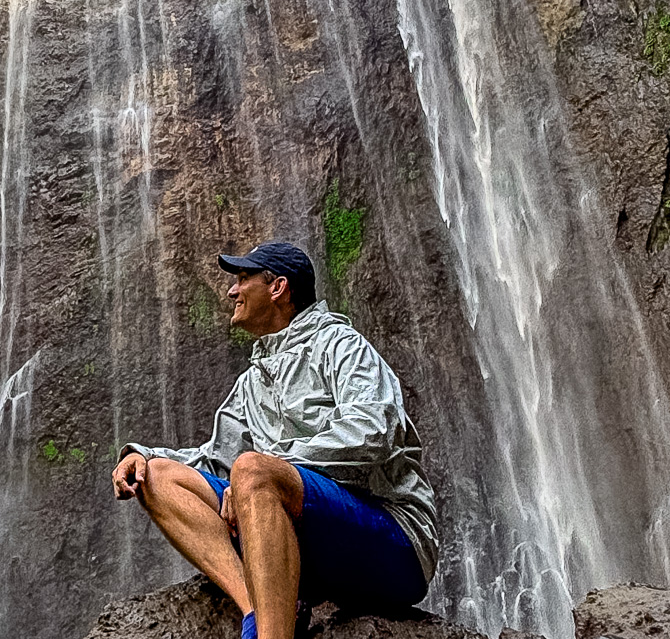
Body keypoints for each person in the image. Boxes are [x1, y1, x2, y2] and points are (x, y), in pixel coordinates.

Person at [112, 241, 438, 639]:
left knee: (252, 469)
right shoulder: (253, 380)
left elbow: (372, 430)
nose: (232, 291)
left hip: (392, 539)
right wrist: (143, 456)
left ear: (278, 287)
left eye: (243, 278)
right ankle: (260, 612)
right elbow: (215, 461)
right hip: (310, 548)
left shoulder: (342, 346)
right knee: (161, 477)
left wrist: (273, 467)